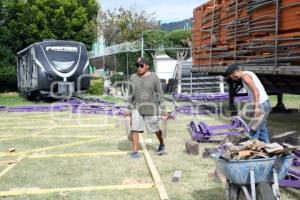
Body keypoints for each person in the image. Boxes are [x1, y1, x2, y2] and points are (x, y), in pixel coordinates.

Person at [127, 57, 168, 159]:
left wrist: (163, 110)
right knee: (134, 129)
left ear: (147, 66)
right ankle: (135, 152)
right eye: (137, 65)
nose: (139, 68)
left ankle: (162, 144)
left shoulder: (154, 77)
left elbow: (160, 94)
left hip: (151, 109)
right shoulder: (133, 77)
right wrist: (128, 109)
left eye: (141, 65)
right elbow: (130, 94)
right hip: (137, 108)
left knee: (155, 129)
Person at [226, 64, 271, 143]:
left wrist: (256, 107)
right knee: (262, 129)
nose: (233, 79)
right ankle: (268, 147)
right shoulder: (248, 73)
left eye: (232, 77)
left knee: (253, 130)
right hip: (264, 103)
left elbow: (256, 91)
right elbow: (253, 93)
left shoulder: (245, 76)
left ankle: (250, 149)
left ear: (234, 73)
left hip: (261, 104)